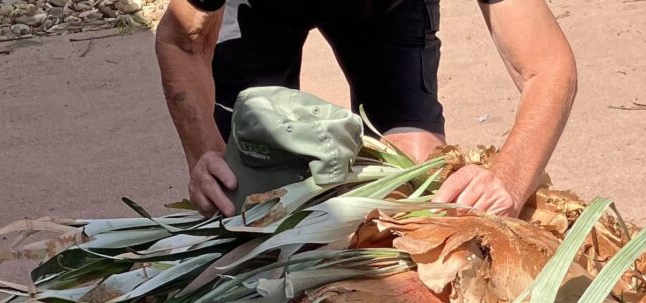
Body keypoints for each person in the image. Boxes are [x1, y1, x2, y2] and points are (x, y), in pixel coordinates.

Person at [155, 0, 577, 218]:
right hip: (260, 10)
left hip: (385, 10)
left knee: (416, 185)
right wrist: (205, 153)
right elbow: (181, 42)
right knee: (244, 201)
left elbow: (547, 65)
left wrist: (510, 178)